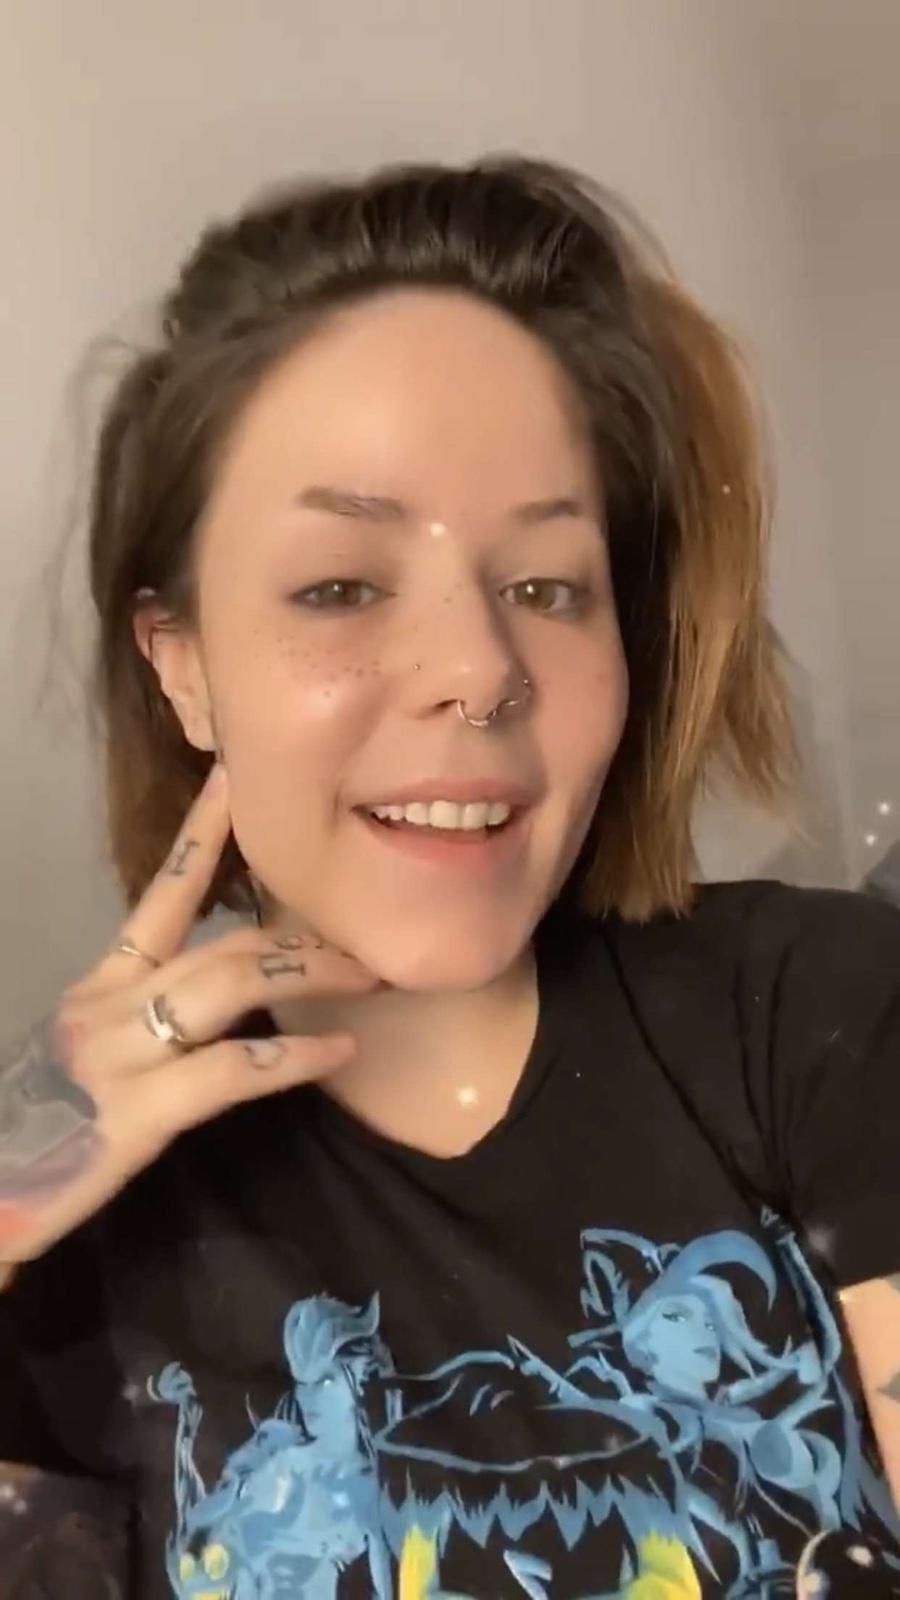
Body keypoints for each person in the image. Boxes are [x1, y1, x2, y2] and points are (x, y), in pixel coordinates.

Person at [0, 154, 897, 1599]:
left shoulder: (819, 1017)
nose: (480, 670)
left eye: (546, 587)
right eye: (341, 587)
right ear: (184, 666)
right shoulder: (82, 1235)